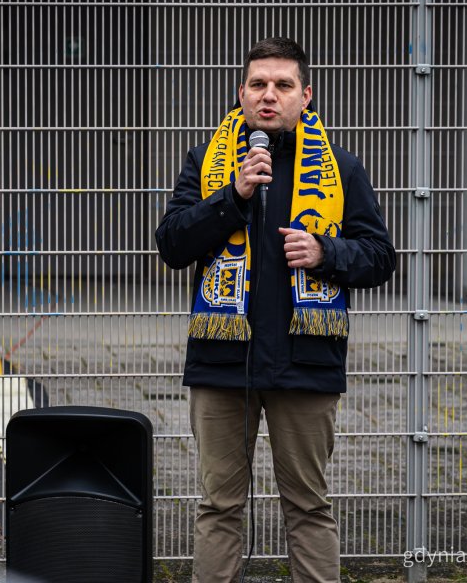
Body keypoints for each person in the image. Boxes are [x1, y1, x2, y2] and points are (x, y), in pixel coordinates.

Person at [155, 37, 395, 582]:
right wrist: (231, 197)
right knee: (219, 507)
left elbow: (381, 257)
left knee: (308, 508)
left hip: (305, 362)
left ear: (305, 95)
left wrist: (325, 251)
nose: (270, 96)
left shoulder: (343, 167)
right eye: (258, 84)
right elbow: (170, 244)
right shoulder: (206, 162)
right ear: (241, 94)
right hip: (222, 363)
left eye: (283, 85)